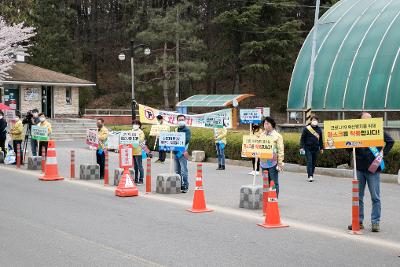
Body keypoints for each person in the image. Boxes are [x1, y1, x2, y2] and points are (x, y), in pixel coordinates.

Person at [348, 112, 394, 232]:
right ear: (360, 121)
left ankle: (375, 222)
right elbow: (347, 146)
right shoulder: (356, 131)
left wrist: (381, 155)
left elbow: (390, 141)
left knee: (375, 197)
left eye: (370, 119)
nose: (368, 121)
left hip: (373, 168)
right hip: (359, 168)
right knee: (358, 197)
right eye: (366, 119)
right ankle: (358, 221)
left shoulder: (377, 130)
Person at [260, 117, 284, 197]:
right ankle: (266, 198)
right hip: (263, 162)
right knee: (265, 181)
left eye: (267, 123)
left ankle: (274, 198)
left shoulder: (277, 136)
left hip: (273, 162)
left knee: (273, 181)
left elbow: (280, 150)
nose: (265, 125)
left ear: (272, 125)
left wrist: (280, 162)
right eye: (264, 123)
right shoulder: (261, 135)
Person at [300, 115, 323, 182]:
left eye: (316, 120)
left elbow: (320, 140)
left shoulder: (319, 130)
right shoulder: (307, 128)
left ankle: (311, 174)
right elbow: (302, 139)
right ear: (311, 121)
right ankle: (310, 176)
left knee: (313, 163)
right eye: (313, 120)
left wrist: (321, 148)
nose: (314, 121)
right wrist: (301, 147)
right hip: (308, 148)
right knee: (309, 161)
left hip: (316, 148)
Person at [174, 114, 191, 193]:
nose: (181, 121)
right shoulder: (176, 129)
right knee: (177, 170)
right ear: (177, 121)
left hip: (183, 152)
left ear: (185, 120)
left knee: (184, 170)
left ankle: (185, 185)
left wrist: (177, 141)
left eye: (182, 120)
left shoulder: (187, 130)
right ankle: (179, 185)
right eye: (179, 120)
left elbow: (186, 140)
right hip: (175, 152)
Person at [132, 120, 145, 184]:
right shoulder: (131, 131)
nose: (134, 125)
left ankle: (141, 179)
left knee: (139, 166)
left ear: (139, 125)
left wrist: (133, 140)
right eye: (134, 123)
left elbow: (141, 140)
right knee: (135, 167)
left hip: (138, 151)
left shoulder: (141, 132)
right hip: (132, 151)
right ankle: (136, 178)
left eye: (136, 124)